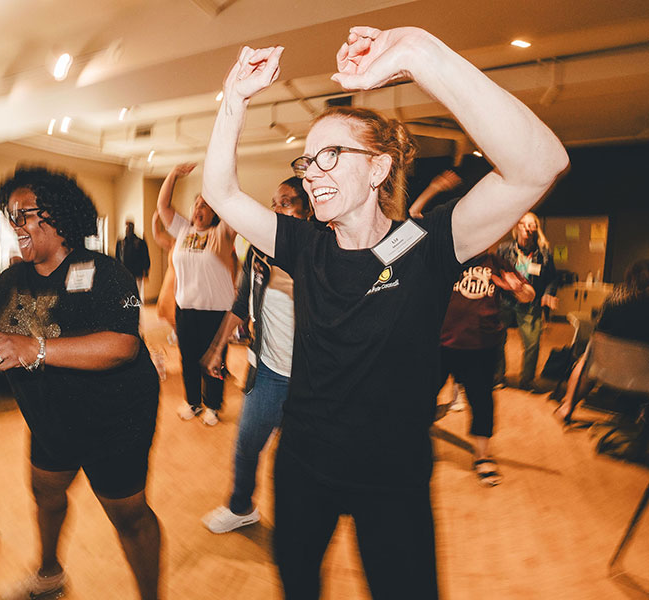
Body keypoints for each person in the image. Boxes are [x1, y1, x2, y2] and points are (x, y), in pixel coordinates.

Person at [201, 27, 568, 599]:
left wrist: (423, 56)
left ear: (377, 171)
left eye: (331, 156)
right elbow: (222, 193)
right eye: (307, 160)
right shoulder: (304, 244)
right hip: (302, 465)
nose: (311, 172)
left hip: (392, 477)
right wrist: (234, 100)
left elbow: (538, 165)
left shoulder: (429, 244)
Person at [0, 166, 161, 600]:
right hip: (51, 418)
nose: (15, 224)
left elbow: (123, 346)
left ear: (58, 216)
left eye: (24, 213)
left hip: (114, 422)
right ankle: (49, 575)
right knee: (46, 492)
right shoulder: (13, 280)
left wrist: (35, 348)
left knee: (129, 515)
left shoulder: (106, 271)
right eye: (11, 215)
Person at [200, 177, 311, 533]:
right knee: (247, 444)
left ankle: (300, 522)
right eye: (275, 202)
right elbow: (240, 301)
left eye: (287, 201)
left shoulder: (320, 251)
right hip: (267, 371)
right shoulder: (259, 252)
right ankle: (242, 506)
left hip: (312, 378)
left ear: (308, 210)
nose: (277, 208)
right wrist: (218, 349)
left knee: (298, 459)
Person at [437, 253, 534, 486]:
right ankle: (408, 449)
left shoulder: (496, 262)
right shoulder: (447, 254)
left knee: (482, 403)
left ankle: (482, 456)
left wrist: (518, 287)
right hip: (441, 342)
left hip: (481, 345)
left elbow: (528, 295)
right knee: (420, 397)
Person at [157, 163, 238, 426]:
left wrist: (219, 183)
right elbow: (163, 207)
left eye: (205, 205)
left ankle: (213, 405)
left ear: (214, 211)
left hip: (217, 310)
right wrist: (174, 174)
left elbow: (232, 205)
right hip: (186, 308)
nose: (199, 209)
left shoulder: (222, 234)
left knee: (215, 358)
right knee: (188, 358)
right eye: (197, 204)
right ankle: (193, 401)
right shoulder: (182, 230)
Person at [556, 259, 649, 422]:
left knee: (586, 357)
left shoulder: (616, 296)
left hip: (607, 370)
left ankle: (567, 406)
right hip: (643, 376)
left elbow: (598, 333)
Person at [495, 212, 559, 390]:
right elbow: (495, 272)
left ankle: (527, 379)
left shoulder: (543, 253)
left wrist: (548, 293)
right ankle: (498, 376)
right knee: (498, 338)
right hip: (506, 301)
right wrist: (504, 283)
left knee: (533, 342)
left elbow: (553, 278)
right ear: (517, 227)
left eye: (531, 225)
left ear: (536, 229)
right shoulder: (504, 249)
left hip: (531, 303)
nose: (527, 228)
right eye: (523, 223)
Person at [116, 219, 151, 296]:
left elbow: (145, 257)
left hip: (137, 273)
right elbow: (117, 258)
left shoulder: (140, 243)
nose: (128, 230)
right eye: (127, 227)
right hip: (125, 273)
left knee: (137, 294)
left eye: (130, 227)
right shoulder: (121, 243)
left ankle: (136, 307)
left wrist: (146, 271)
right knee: (126, 294)